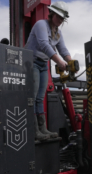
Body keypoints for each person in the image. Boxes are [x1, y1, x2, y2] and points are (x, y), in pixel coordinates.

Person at [25, 1, 72, 140]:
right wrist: (60, 62)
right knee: (32, 97)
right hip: (31, 62)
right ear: (51, 14)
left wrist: (70, 62)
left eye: (62, 19)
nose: (60, 20)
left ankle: (43, 129)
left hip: (43, 64)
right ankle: (34, 130)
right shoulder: (41, 25)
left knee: (40, 97)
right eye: (59, 17)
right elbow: (44, 44)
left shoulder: (58, 33)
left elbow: (63, 49)